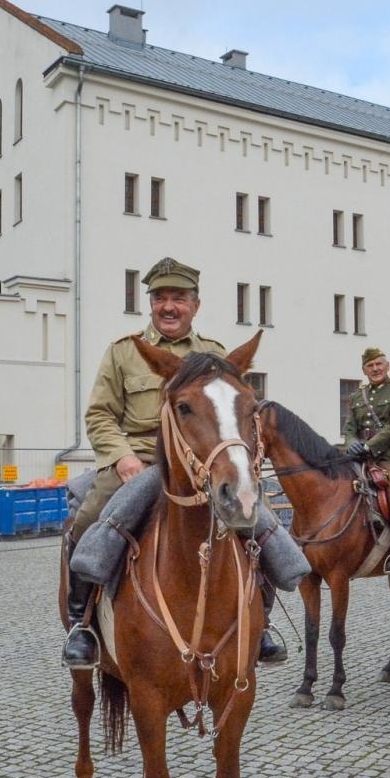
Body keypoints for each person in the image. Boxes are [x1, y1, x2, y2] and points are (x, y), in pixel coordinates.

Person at [63, 257, 286, 669]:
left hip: (202, 462)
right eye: (161, 297)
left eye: (179, 298)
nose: (169, 306)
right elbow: (99, 415)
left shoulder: (215, 354)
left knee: (260, 515)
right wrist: (122, 457)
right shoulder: (124, 353)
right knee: (91, 515)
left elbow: (233, 414)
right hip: (139, 459)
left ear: (195, 306)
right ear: (150, 304)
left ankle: (263, 619)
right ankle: (83, 624)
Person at [344, 348, 390, 575]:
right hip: (358, 458)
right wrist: (351, 444)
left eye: (379, 364)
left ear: (387, 366)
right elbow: (350, 428)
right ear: (364, 370)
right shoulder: (357, 395)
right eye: (370, 366)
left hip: (389, 458)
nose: (375, 369)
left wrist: (368, 446)